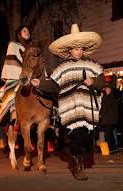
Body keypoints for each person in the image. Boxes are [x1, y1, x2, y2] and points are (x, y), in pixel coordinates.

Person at [48, 23, 106, 180]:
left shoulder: (92, 65)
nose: (78, 52)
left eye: (80, 49)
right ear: (69, 50)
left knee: (87, 139)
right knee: (75, 138)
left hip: (88, 108)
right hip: (71, 108)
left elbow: (104, 83)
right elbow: (52, 85)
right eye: (75, 49)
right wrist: (38, 83)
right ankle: (77, 166)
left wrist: (94, 81)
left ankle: (78, 161)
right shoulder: (63, 67)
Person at [0, 25, 32, 155]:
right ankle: (11, 144)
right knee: (12, 114)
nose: (27, 32)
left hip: (28, 79)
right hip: (16, 80)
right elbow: (13, 64)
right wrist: (21, 78)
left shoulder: (30, 47)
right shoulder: (13, 45)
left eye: (28, 30)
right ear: (19, 34)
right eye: (24, 30)